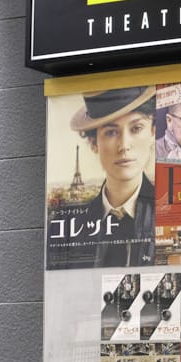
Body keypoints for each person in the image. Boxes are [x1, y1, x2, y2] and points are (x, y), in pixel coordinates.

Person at [70, 86, 157, 267]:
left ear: (152, 133)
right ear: (94, 143)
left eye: (136, 128)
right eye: (111, 132)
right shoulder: (71, 227)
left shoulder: (170, 217)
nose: (124, 145)